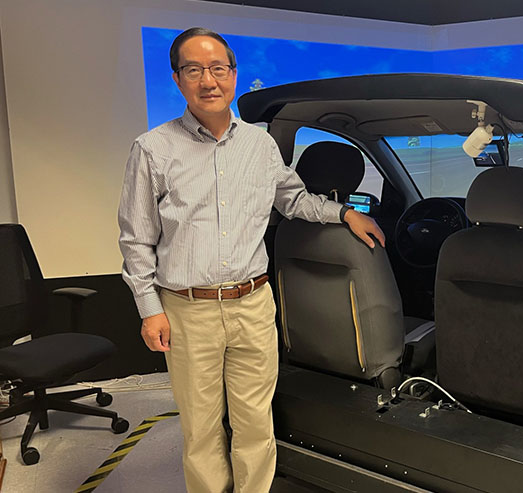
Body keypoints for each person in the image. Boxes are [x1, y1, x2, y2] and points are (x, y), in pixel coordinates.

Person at [117, 27, 385, 493]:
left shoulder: (260, 147)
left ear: (234, 75)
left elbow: (293, 199)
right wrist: (149, 308)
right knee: (200, 430)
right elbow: (136, 239)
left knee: (255, 424)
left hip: (252, 306)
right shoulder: (152, 149)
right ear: (177, 79)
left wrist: (342, 212)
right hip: (186, 310)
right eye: (194, 70)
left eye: (218, 69)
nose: (208, 80)